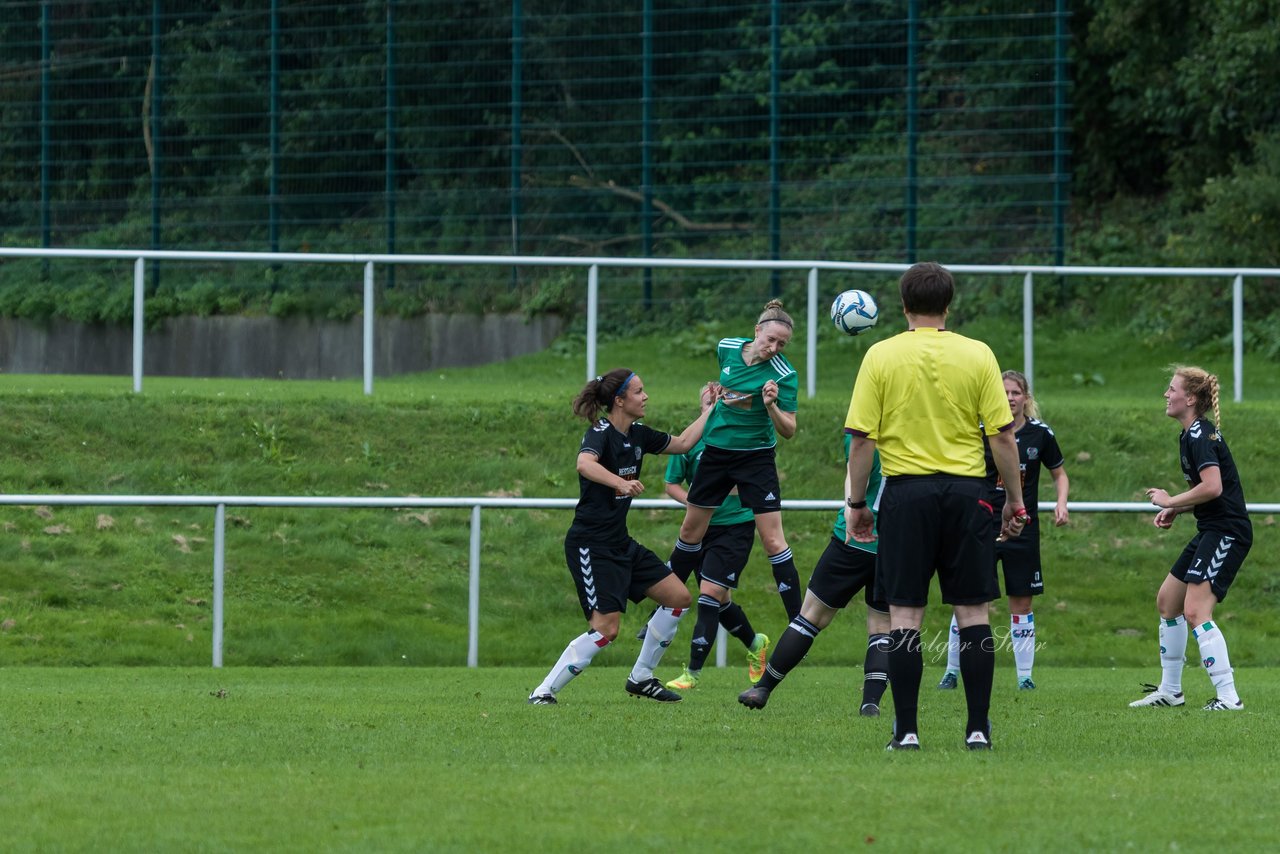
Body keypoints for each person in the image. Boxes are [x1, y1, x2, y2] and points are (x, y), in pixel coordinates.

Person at [844, 261, 1029, 752]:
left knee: (904, 616)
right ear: (949, 305)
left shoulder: (880, 355)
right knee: (974, 613)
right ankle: (978, 730)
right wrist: (1013, 500)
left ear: (903, 305)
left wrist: (856, 503)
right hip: (969, 495)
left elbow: (861, 440)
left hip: (905, 495)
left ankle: (905, 732)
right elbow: (1003, 435)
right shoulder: (978, 354)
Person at [527, 369, 714, 705]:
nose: (646, 397)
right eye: (640, 392)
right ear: (619, 400)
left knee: (678, 598)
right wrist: (619, 482)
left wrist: (708, 411)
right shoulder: (600, 432)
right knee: (606, 630)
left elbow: (684, 443)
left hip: (619, 542)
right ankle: (544, 691)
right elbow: (584, 465)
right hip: (590, 544)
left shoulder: (639, 434)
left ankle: (641, 678)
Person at [666, 299, 803, 624]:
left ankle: (799, 621)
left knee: (772, 539)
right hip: (716, 453)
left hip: (756, 458)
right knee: (690, 530)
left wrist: (771, 406)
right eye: (770, 339)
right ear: (756, 331)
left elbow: (790, 430)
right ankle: (663, 604)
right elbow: (725, 388)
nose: (774, 348)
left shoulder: (785, 374)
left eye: (781, 344)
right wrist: (713, 401)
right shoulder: (726, 347)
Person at [737, 433, 891, 716]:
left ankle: (764, 687)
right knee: (883, 625)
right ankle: (870, 704)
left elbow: (856, 471)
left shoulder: (864, 428)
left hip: (854, 538)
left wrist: (851, 508)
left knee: (811, 616)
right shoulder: (917, 429)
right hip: (896, 544)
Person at [938, 370, 1070, 691]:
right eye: (1004, 392)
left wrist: (1061, 503)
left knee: (1021, 603)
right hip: (981, 525)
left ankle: (1024, 677)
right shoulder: (981, 431)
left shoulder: (1041, 434)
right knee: (970, 599)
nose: (1010, 398)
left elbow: (1059, 475)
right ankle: (952, 671)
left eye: (1015, 393)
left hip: (1022, 527)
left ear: (1026, 398)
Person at [1130, 366, 1251, 712]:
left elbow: (1214, 486)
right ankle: (1171, 691)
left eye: (1171, 389)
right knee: (1168, 602)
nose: (1166, 395)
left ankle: (1229, 697)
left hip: (1227, 531)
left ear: (1191, 398)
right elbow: (1205, 492)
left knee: (1196, 612)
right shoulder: (1189, 435)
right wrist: (1177, 510)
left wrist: (1169, 500)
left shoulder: (1200, 434)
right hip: (1210, 528)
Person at [659, 387, 771, 692]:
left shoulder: (739, 440)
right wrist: (699, 504)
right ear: (702, 406)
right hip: (701, 530)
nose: (715, 407)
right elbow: (671, 485)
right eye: (710, 403)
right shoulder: (693, 442)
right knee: (721, 602)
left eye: (721, 402)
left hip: (735, 529)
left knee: (708, 596)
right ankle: (754, 642)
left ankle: (692, 673)